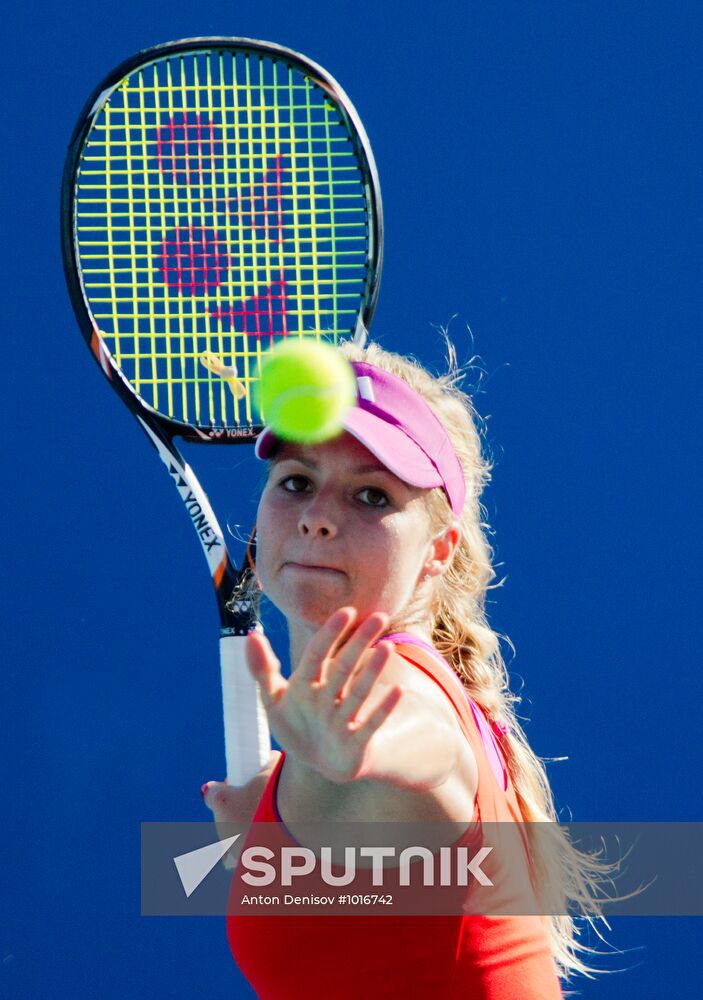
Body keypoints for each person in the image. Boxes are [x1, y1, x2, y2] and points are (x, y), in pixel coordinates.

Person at [202, 340, 605, 997]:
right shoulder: (310, 760)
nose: (318, 518)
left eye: (370, 496)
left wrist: (362, 746)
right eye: (297, 482)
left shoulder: (403, 689)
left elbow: (429, 746)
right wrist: (259, 845)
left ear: (437, 550)